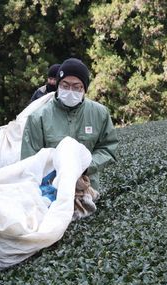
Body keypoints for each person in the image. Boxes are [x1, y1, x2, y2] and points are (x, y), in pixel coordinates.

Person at [21, 58, 119, 191]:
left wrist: (84, 167)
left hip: (87, 189)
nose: (70, 91)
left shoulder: (99, 113)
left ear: (84, 88)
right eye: (65, 86)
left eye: (77, 87)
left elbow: (108, 148)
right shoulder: (39, 117)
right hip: (49, 191)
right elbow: (29, 161)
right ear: (58, 86)